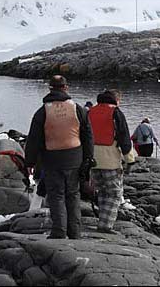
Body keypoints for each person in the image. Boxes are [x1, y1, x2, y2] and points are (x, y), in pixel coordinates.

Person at [24, 75, 94, 239]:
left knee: (56, 196)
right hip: (75, 158)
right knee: (73, 195)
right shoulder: (77, 109)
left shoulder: (42, 112)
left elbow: (34, 139)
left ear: (50, 88)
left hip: (52, 160)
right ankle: (75, 232)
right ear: (65, 87)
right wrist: (89, 158)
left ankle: (59, 231)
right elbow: (88, 135)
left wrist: (30, 162)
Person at [88, 89, 135, 234]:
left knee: (102, 191)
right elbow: (124, 138)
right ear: (116, 100)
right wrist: (129, 160)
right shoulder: (116, 112)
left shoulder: (90, 112)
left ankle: (102, 219)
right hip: (110, 160)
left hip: (92, 160)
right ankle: (105, 225)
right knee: (114, 193)